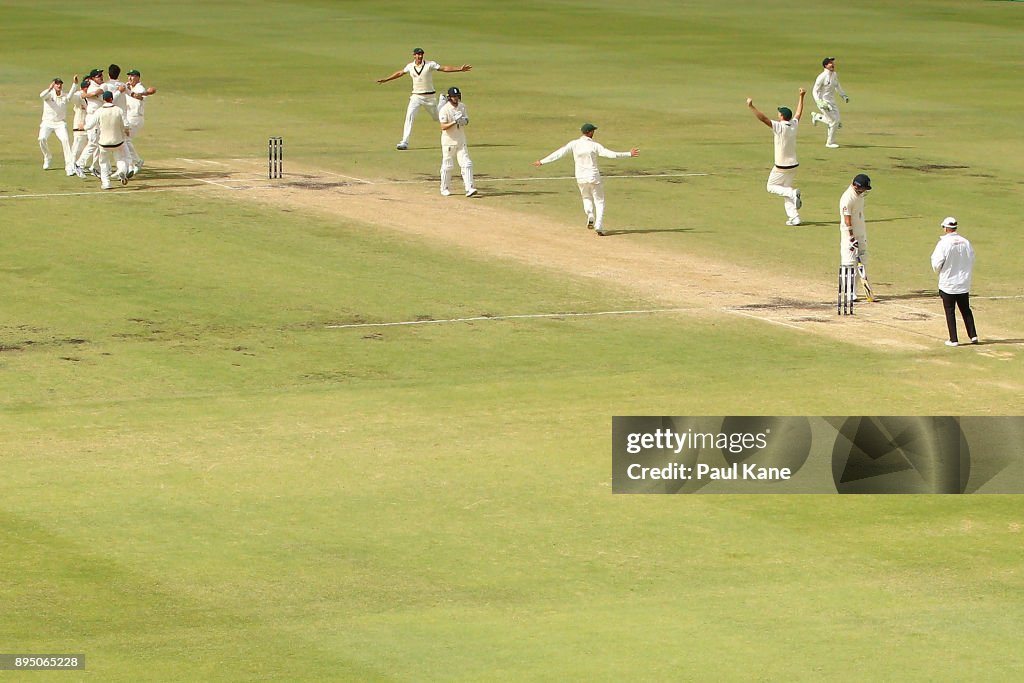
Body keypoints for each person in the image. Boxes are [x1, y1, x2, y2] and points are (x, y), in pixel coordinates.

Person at [532, 123, 639, 236]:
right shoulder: (594, 145)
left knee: (586, 197)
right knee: (599, 201)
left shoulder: (574, 144)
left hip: (581, 177)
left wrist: (542, 161)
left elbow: (559, 153)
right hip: (593, 176)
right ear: (590, 132)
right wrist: (629, 154)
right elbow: (611, 154)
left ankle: (590, 214)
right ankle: (599, 225)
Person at [376, 47, 472, 150]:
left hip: (429, 97)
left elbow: (444, 68)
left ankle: (442, 102)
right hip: (416, 96)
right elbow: (400, 73)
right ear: (414, 55)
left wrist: (459, 69)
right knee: (409, 116)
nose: (420, 56)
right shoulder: (410, 66)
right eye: (418, 54)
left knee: (437, 118)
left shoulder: (429, 64)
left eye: (421, 54)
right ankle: (404, 142)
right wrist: (386, 79)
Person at [747, 89, 805, 226]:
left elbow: (763, 119)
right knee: (785, 192)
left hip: (781, 166)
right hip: (793, 165)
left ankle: (792, 193)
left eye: (779, 113)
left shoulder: (779, 126)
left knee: (771, 186)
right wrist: (802, 96)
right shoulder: (794, 124)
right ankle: (794, 217)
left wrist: (751, 107)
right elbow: (798, 113)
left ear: (782, 116)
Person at [930, 216, 978, 347]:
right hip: (963, 283)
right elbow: (972, 258)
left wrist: (941, 272)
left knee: (950, 311)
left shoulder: (943, 244)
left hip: (948, 284)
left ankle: (953, 339)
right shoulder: (966, 242)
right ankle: (973, 335)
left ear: (946, 228)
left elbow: (936, 263)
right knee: (966, 309)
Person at [84, 90, 130, 189]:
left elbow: (89, 126)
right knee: (120, 159)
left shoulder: (99, 111)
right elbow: (126, 124)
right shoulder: (119, 110)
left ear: (103, 99)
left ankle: (106, 183)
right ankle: (122, 170)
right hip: (118, 142)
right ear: (112, 99)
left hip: (104, 143)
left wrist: (82, 126)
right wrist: (126, 131)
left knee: (103, 163)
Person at [437, 87, 477, 197]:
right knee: (448, 165)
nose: (456, 98)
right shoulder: (444, 109)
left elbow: (466, 120)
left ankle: (469, 188)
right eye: (454, 97)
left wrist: (463, 121)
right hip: (448, 141)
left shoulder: (462, 106)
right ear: (449, 97)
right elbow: (443, 126)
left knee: (467, 163)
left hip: (461, 140)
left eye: (457, 96)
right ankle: (444, 188)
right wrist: (454, 121)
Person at [839, 174, 872, 298]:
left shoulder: (860, 195)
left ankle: (854, 289)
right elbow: (847, 220)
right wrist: (851, 238)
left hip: (861, 233)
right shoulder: (847, 198)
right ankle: (848, 291)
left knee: (862, 261)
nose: (864, 191)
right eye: (863, 188)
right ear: (856, 186)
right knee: (849, 262)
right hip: (849, 236)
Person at [38, 76, 78, 174]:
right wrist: (50, 88)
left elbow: (71, 95)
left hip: (60, 123)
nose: (59, 85)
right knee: (41, 138)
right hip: (47, 122)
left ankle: (69, 167)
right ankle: (47, 157)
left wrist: (75, 84)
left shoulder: (64, 96)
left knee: (65, 140)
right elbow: (41, 95)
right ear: (53, 85)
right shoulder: (49, 95)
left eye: (60, 83)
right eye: (57, 83)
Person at [73, 68, 106, 177]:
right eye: (98, 76)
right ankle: (79, 164)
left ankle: (95, 167)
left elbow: (98, 93)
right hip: (93, 117)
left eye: (101, 75)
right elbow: (98, 94)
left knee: (100, 143)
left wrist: (88, 95)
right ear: (92, 78)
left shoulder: (99, 86)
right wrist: (92, 94)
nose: (101, 77)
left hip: (99, 117)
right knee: (93, 143)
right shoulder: (92, 86)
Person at [124, 69, 156, 175]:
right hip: (128, 117)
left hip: (135, 118)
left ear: (138, 77)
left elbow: (139, 96)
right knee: (123, 141)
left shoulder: (139, 88)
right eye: (129, 76)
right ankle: (128, 166)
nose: (130, 78)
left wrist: (128, 91)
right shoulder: (129, 86)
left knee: (125, 140)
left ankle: (137, 162)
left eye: (132, 76)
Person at [811, 57, 848, 149]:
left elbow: (837, 85)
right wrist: (819, 102)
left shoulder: (834, 74)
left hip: (832, 101)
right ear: (825, 65)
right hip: (823, 102)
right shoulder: (822, 77)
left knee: (837, 122)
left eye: (832, 63)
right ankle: (830, 143)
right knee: (834, 122)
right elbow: (814, 91)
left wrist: (843, 95)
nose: (832, 64)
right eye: (830, 63)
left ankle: (817, 117)